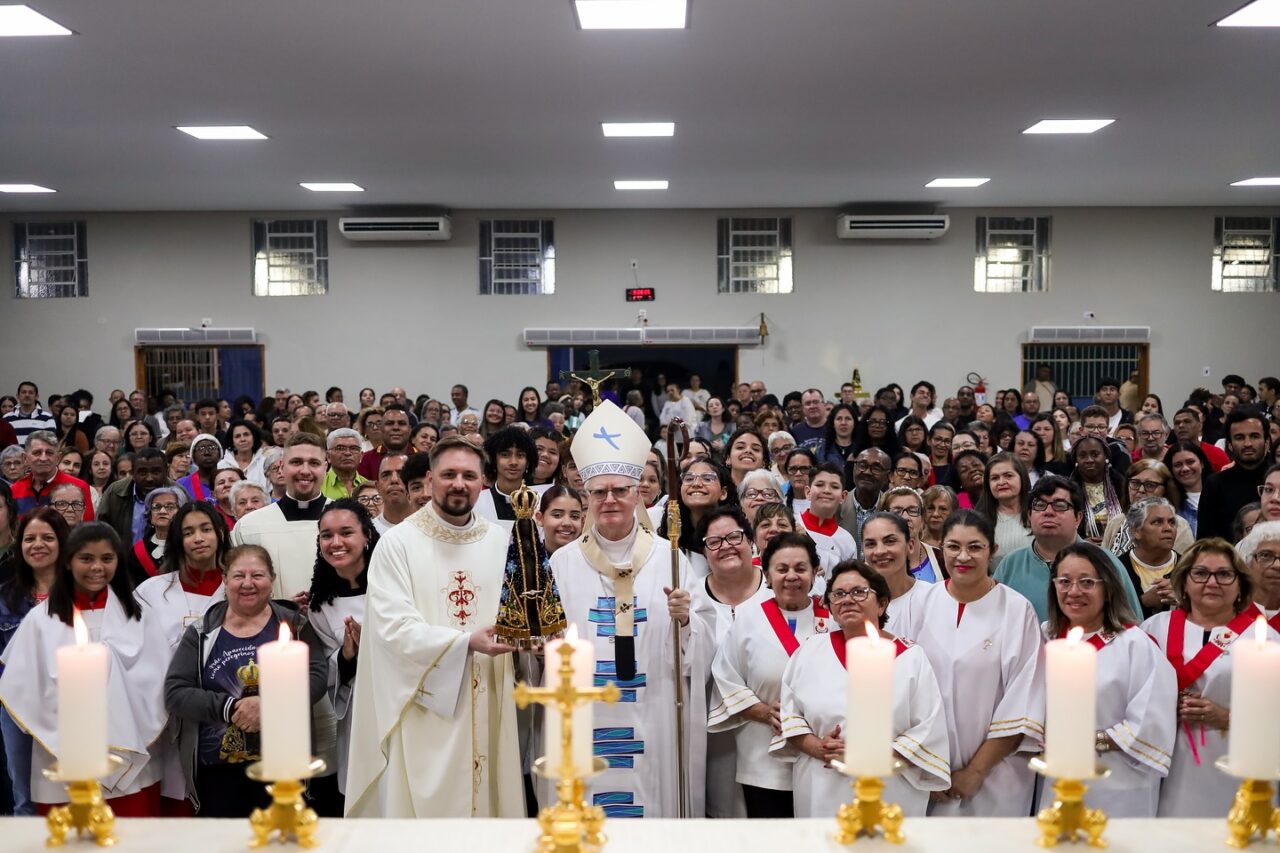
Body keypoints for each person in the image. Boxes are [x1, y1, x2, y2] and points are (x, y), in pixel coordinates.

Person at [345, 437, 523, 818]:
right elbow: (391, 629)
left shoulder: (501, 540)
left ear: (482, 483)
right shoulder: (398, 544)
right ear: (429, 480)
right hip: (425, 703)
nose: (459, 483)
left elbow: (520, 613)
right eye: (449, 474)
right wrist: (465, 643)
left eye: (468, 476)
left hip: (491, 694)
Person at [550, 401, 711, 818]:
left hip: (654, 709)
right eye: (599, 492)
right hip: (587, 713)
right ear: (586, 497)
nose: (610, 500)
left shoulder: (671, 559)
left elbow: (706, 639)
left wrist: (688, 620)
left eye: (620, 490)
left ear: (638, 493)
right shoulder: (563, 563)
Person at [0, 522, 166, 815]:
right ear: (68, 561)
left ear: (118, 560)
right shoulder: (41, 620)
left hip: (130, 753)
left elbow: (157, 682)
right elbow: (22, 689)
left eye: (107, 558)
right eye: (86, 558)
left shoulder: (140, 616)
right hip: (61, 757)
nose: (97, 568)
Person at [163, 544, 331, 817]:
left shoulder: (295, 625)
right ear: (225, 580)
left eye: (258, 575)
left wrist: (268, 705)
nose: (248, 584)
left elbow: (316, 677)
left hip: (283, 764)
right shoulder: (203, 631)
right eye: (239, 576)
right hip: (217, 771)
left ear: (272, 580)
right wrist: (230, 708)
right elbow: (176, 691)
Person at [778, 559, 949, 818]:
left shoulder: (911, 657)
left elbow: (928, 726)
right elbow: (790, 715)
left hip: (889, 786)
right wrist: (818, 747)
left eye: (859, 592)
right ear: (830, 607)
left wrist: (866, 754)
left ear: (882, 604)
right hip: (822, 783)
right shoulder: (810, 651)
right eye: (838, 594)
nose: (847, 600)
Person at [904, 510, 1044, 817]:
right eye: (953, 546)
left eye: (975, 547)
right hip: (926, 770)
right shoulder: (920, 603)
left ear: (993, 550)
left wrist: (976, 771)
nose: (962, 556)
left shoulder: (1017, 611)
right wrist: (927, 767)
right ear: (941, 548)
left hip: (997, 773)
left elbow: (1023, 700)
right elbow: (903, 691)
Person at [1041, 541, 1176, 816]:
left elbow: (1151, 720)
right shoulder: (1045, 637)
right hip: (1056, 776)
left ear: (1108, 587)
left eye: (1087, 582)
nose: (1074, 591)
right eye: (1064, 581)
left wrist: (1092, 740)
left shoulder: (1135, 645)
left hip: (1118, 783)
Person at [1142, 540, 1277, 816]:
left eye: (1224, 574)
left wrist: (1227, 716)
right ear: (1184, 580)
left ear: (1240, 584)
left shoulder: (1265, 639)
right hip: (1165, 761)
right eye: (1200, 573)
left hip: (1234, 758)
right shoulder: (1154, 629)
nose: (1212, 582)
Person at [708, 533, 830, 818]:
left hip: (820, 758)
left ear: (814, 573)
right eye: (782, 569)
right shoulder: (748, 619)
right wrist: (765, 712)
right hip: (763, 760)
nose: (791, 577)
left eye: (800, 568)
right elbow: (726, 678)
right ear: (767, 574)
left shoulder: (833, 620)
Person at [134, 502, 230, 811]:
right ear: (178, 540)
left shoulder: (239, 587)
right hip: (166, 714)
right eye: (188, 532)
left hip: (223, 714)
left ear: (220, 533)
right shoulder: (152, 591)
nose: (198, 538)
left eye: (205, 529)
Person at [691, 506, 773, 818]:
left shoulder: (777, 586)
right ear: (704, 551)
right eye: (714, 542)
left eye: (734, 537)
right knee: (725, 815)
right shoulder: (693, 595)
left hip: (774, 725)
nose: (725, 546)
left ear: (750, 540)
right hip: (717, 733)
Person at [306, 499, 378, 809]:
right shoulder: (321, 605)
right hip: (358, 716)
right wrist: (348, 656)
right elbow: (328, 672)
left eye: (346, 532)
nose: (336, 543)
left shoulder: (393, 586)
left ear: (367, 537)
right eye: (326, 535)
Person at [995, 476, 1143, 622]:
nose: (1048, 512)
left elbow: (1131, 623)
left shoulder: (1105, 562)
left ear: (1078, 518)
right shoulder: (1011, 565)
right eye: (1040, 505)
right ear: (1029, 516)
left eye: (1059, 505)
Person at [0, 508, 67, 816]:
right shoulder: (5, 596)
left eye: (47, 537)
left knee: (73, 790)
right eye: (29, 539)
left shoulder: (81, 594)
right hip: (18, 708)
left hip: (71, 705)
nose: (37, 544)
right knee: (24, 797)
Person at [230, 433, 329, 599]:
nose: (305, 471)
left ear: (325, 468)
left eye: (314, 463)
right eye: (296, 462)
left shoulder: (349, 520)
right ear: (282, 467)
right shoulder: (249, 526)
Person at [1199, 409, 1272, 540]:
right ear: (1230, 445)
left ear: (1266, 442)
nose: (1248, 443)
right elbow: (1205, 540)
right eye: (1239, 437)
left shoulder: (1277, 480)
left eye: (1254, 436)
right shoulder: (1215, 484)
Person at [1101, 459, 1194, 557]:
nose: (1141, 490)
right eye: (1135, 483)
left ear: (1165, 490)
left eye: (1150, 485)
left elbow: (1182, 568)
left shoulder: (1179, 526)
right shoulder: (1116, 522)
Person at [861, 511, 925, 633]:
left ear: (910, 546)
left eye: (890, 541)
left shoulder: (931, 598)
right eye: (871, 544)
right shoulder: (853, 601)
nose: (879, 551)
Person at [797, 463, 856, 583]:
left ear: (843, 497)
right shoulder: (791, 524)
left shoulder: (847, 541)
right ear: (808, 492)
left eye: (834, 487)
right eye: (819, 485)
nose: (827, 490)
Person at [974, 452, 1033, 567]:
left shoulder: (1040, 513)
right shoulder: (978, 521)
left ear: (1022, 477)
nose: (1001, 482)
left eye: (1008, 476)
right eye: (995, 478)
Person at [126, 486, 186, 584]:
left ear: (181, 512)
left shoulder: (188, 546)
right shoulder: (138, 551)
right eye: (156, 507)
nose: (162, 511)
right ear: (149, 515)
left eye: (170, 506)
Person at [1163, 441, 1209, 536]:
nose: (1185, 468)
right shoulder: (1167, 504)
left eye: (1190, 462)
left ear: (1202, 463)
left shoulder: (1220, 494)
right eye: (1178, 465)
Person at [357, 404, 412, 480]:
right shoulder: (366, 459)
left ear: (409, 430)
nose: (396, 427)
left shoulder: (423, 459)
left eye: (401, 423)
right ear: (382, 429)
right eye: (390, 423)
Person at [3, 381, 56, 447]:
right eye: (23, 392)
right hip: (13, 456)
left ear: (37, 396)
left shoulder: (47, 418)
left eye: (30, 393)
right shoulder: (6, 418)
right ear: (17, 396)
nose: (27, 395)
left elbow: (51, 443)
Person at [534, 486, 585, 554]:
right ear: (540, 518)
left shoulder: (591, 561)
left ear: (582, 521)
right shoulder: (526, 561)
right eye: (557, 515)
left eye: (574, 516)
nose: (567, 523)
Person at [177, 434, 221, 504]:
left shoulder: (230, 481)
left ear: (219, 453)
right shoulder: (182, 484)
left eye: (211, 448)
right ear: (193, 456)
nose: (207, 453)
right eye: (201, 449)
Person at [920, 485, 957, 551]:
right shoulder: (914, 542)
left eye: (943, 509)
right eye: (930, 508)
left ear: (953, 512)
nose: (935, 514)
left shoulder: (960, 542)